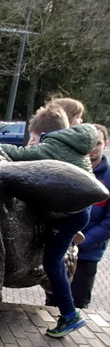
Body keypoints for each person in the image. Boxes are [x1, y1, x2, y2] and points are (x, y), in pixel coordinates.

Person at [2, 104, 97, 338]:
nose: (32, 142)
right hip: (78, 212)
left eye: (34, 137)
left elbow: (22, 155)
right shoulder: (71, 144)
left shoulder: (53, 146)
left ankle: (69, 314)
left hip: (69, 216)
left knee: (52, 262)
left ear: (43, 134)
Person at [70, 124, 110, 309]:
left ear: (106, 145)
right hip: (65, 250)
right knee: (53, 301)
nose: (93, 148)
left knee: (78, 302)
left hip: (88, 254)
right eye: (90, 143)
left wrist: (83, 243)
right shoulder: (71, 169)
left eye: (98, 143)